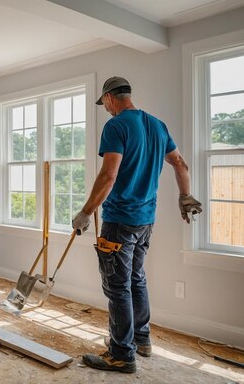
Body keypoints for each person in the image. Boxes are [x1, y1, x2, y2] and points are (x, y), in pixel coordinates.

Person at [71, 76, 202, 373]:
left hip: (119, 221)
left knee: (117, 287)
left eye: (104, 104)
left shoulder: (116, 126)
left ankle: (121, 354)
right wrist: (185, 196)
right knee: (136, 278)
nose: (105, 109)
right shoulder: (157, 125)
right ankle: (141, 340)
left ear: (109, 98)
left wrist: (85, 212)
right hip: (145, 221)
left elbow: (108, 176)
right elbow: (179, 162)